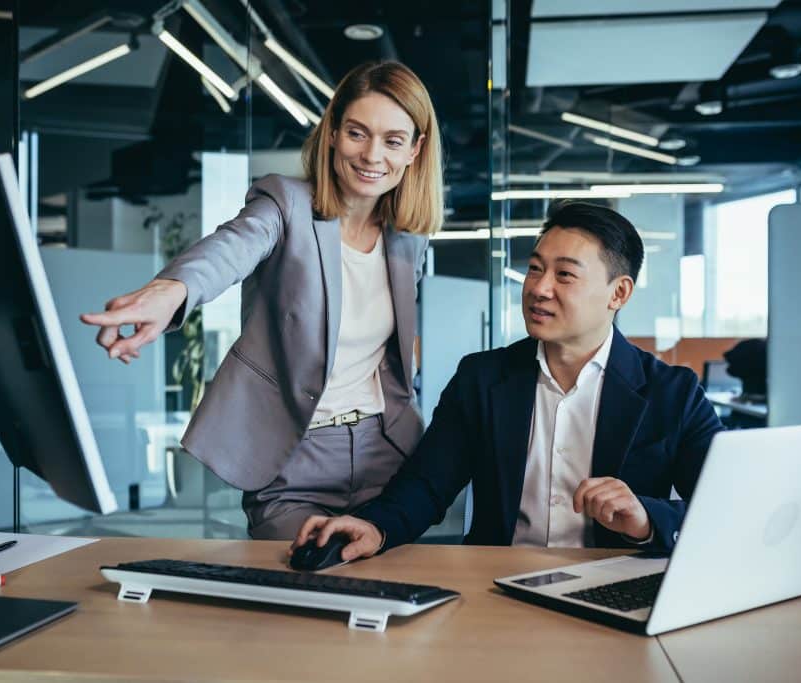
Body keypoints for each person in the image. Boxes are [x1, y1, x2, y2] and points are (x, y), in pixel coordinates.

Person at [80, 61, 443, 540]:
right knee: (302, 591)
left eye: (393, 140)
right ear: (332, 133)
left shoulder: (407, 240)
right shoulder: (285, 205)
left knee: (386, 594)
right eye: (357, 133)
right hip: (294, 462)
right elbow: (230, 249)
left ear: (415, 150)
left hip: (387, 454)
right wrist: (171, 292)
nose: (373, 154)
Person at [292, 201, 724, 561]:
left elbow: (725, 509)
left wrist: (647, 520)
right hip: (499, 586)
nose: (539, 288)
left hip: (615, 585)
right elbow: (426, 486)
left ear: (619, 293)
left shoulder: (673, 393)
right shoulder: (482, 379)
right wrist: (375, 527)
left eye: (565, 275)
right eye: (535, 269)